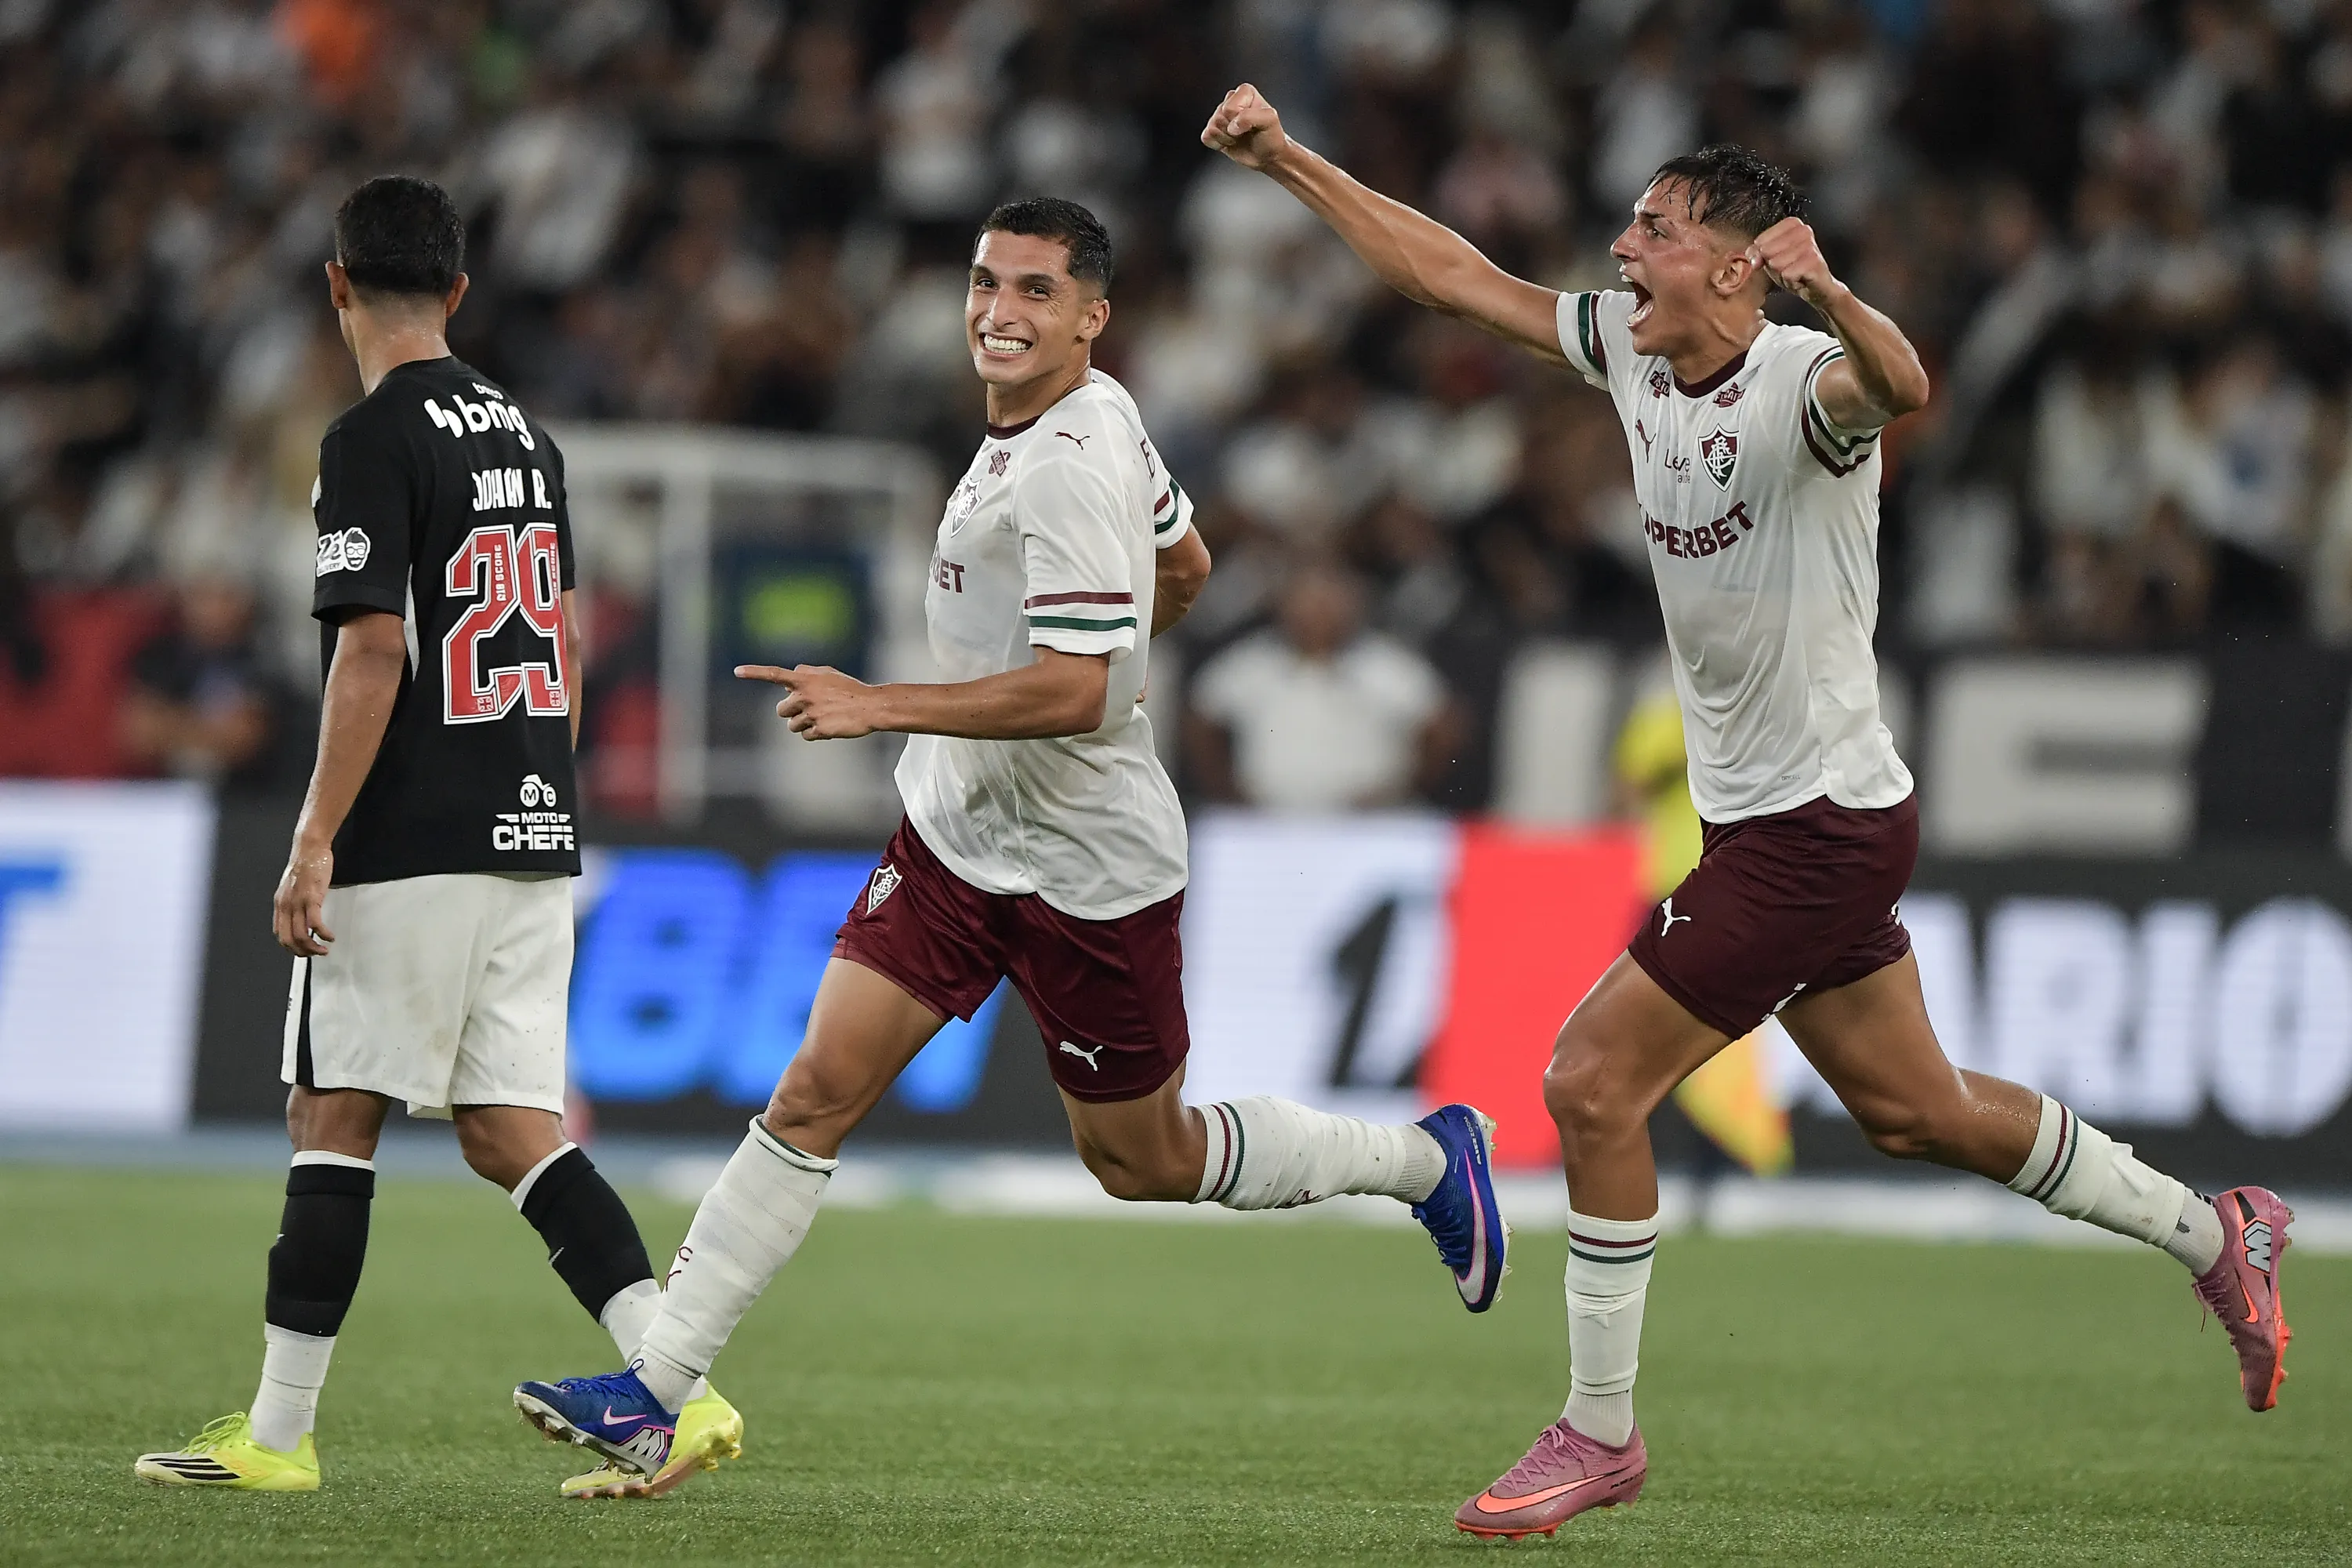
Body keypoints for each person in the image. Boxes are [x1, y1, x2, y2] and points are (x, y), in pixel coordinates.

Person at [1202, 85, 2295, 1540]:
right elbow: (1452, 277)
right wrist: (1288, 161)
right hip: (1785, 821)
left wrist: (1830, 291)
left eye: (1652, 229)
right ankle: (2215, 1231)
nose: (1622, 248)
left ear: (1734, 266)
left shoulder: (1801, 384)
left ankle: (1600, 1432)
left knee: (1590, 1083)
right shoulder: (1631, 348)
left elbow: (1901, 386)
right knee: (1918, 1111)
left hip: (1813, 827)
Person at [509, 197, 1509, 1497]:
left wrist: (884, 703)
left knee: (1140, 1159)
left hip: (1088, 869)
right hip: (957, 836)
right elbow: (1187, 566)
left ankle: (1426, 1160)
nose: (999, 310)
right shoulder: (1089, 419)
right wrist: (1101, 653)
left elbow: (1083, 691)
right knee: (814, 1092)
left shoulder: (1065, 464)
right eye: (987, 282)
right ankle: (657, 1392)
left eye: (1037, 291)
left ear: (1093, 316)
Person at [133, 176, 740, 1497]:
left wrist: (314, 837)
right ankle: (675, 1388)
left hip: (411, 831)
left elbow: (372, 652)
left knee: (330, 1110)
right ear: (459, 291)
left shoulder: (367, 437)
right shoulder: (529, 435)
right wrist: (534, 790)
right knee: (509, 1128)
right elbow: (561, 645)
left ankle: (278, 1441)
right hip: (530, 820)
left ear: (336, 286)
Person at [1186, 559, 1457, 811]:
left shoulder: (1386, 664)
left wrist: (1402, 791)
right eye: (1306, 603)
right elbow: (1200, 720)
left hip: (1369, 823)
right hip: (1268, 820)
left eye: (1329, 603)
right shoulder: (1251, 663)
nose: (1318, 614)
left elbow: (1444, 727)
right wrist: (1227, 792)